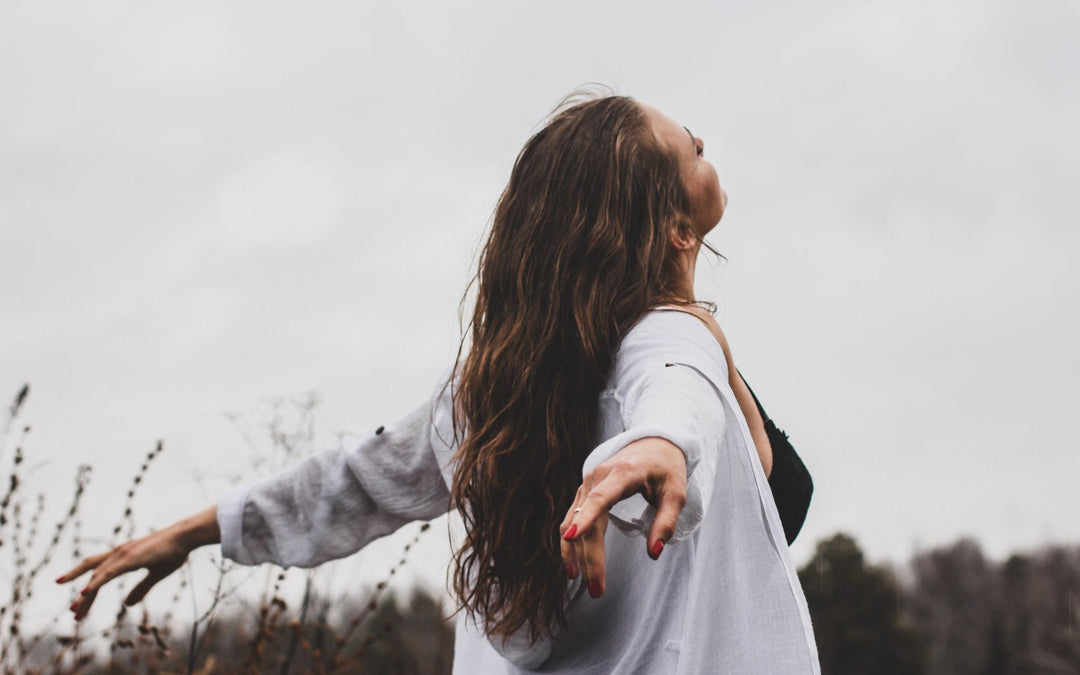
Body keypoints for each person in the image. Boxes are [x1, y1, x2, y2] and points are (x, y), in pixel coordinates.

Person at [57, 92, 820, 673]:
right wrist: (663, 439)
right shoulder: (666, 343)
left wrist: (199, 529)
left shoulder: (491, 393)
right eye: (693, 149)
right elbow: (673, 390)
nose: (705, 146)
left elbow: (350, 484)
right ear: (674, 228)